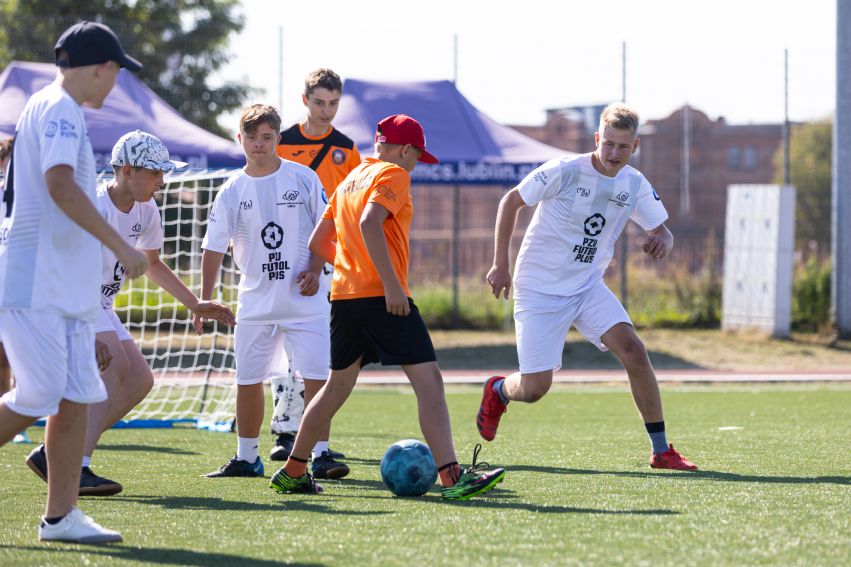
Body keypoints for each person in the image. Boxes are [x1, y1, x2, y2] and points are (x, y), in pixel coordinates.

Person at [270, 114, 506, 499]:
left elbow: (318, 241)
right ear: (405, 149)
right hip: (383, 297)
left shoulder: (350, 178)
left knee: (334, 388)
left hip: (345, 298)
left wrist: (353, 263)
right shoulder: (393, 174)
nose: (416, 163)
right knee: (429, 383)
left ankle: (294, 471)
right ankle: (451, 477)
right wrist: (392, 286)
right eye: (416, 156)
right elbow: (369, 223)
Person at [478, 102, 698, 471]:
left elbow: (661, 229)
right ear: (597, 138)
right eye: (608, 144)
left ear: (635, 146)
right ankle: (499, 390)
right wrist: (501, 263)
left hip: (587, 287)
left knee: (633, 350)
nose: (613, 153)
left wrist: (665, 240)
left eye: (623, 147)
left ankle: (661, 451)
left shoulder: (634, 183)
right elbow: (510, 201)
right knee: (534, 389)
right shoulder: (563, 170)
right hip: (539, 289)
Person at [24, 130, 237, 496]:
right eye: (155, 173)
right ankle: (73, 466)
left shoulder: (146, 209)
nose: (162, 181)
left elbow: (152, 263)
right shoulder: (90, 207)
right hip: (65, 299)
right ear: (125, 171)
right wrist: (86, 331)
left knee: (141, 381)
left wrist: (194, 303)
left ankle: (55, 453)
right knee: (115, 368)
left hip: (99, 304)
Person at [0, 21, 148, 544]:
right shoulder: (60, 109)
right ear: (100, 68)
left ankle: (61, 518)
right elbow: (61, 187)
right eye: (116, 73)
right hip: (36, 281)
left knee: (78, 393)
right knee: (40, 390)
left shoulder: (50, 106)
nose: (115, 85)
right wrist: (122, 246)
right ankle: (61, 517)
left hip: (61, 285)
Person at [198, 104, 349, 480]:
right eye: (252, 137)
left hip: (305, 301)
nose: (259, 144)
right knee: (247, 380)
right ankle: (247, 457)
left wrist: (315, 269)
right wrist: (203, 299)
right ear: (240, 139)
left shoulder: (302, 178)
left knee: (317, 378)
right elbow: (213, 247)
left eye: (267, 137)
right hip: (255, 304)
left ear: (278, 140)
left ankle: (321, 454)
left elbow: (328, 226)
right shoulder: (231, 189)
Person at [269, 68, 361, 462]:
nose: (327, 111)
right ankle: (284, 432)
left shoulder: (346, 148)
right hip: (280, 255)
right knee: (283, 350)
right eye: (320, 102)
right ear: (304, 100)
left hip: (328, 261)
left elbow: (353, 206)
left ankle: (311, 436)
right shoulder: (281, 141)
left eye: (334, 103)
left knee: (316, 350)